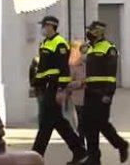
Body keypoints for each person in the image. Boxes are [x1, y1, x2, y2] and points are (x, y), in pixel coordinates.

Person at [31, 16, 88, 164]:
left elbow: (63, 70)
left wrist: (61, 90)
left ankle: (36, 155)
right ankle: (79, 151)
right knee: (55, 122)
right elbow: (43, 69)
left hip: (54, 88)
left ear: (51, 26)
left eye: (43, 25)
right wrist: (37, 85)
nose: (42, 28)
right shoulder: (45, 43)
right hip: (45, 88)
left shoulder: (60, 44)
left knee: (47, 122)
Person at [84, 21, 129, 164]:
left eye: (91, 31)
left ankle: (121, 144)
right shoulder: (91, 48)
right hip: (89, 92)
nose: (89, 33)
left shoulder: (109, 49)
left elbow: (111, 75)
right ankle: (93, 158)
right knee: (88, 125)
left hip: (102, 92)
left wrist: (108, 94)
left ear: (98, 32)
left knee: (102, 124)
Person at [66, 40, 88, 147]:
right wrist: (81, 82)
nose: (85, 55)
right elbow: (68, 84)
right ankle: (81, 143)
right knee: (81, 123)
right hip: (79, 100)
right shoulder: (74, 67)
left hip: (92, 98)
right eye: (83, 52)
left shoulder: (93, 65)